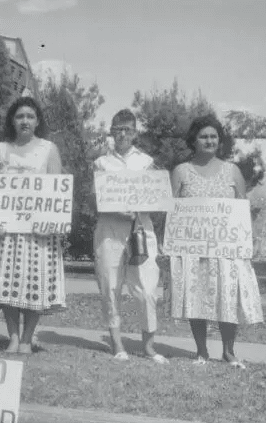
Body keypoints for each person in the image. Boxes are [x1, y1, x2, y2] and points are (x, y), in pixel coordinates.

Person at [0, 97, 66, 354]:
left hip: (38, 232)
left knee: (34, 282)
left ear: (37, 121)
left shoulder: (48, 149)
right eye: (20, 116)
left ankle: (27, 338)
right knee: (7, 282)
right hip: (6, 231)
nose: (25, 121)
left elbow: (57, 191)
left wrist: (50, 222)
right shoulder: (1, 149)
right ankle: (12, 337)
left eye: (30, 117)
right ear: (12, 120)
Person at [169, 114, 264, 368]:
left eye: (213, 136)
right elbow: (172, 211)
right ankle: (201, 351)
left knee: (227, 298)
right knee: (196, 297)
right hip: (194, 248)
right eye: (203, 136)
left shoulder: (232, 170)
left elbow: (242, 209)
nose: (209, 140)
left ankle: (228, 351)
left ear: (219, 140)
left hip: (226, 249)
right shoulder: (181, 171)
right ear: (194, 140)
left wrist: (250, 240)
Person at [92, 109, 167, 363]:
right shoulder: (101, 162)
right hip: (109, 230)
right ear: (111, 132)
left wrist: (138, 208)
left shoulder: (146, 162)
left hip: (140, 228)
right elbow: (94, 199)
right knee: (110, 285)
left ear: (135, 133)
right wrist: (114, 208)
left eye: (128, 129)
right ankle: (117, 344)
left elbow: (156, 196)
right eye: (118, 129)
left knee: (146, 288)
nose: (122, 134)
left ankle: (149, 347)